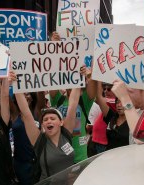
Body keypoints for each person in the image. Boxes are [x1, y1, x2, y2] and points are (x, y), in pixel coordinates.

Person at [12, 72, 81, 181]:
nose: (49, 121)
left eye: (52, 118)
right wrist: (16, 84)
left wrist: (79, 78)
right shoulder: (39, 141)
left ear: (61, 122)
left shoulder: (66, 134)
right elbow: (26, 113)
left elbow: (73, 105)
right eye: (45, 119)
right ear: (42, 124)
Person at [49, 32, 96, 163]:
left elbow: (92, 85)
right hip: (60, 157)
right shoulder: (58, 99)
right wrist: (54, 47)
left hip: (80, 158)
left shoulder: (84, 100)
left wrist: (89, 75)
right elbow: (50, 74)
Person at [96, 81, 129, 151]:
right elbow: (99, 97)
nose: (119, 105)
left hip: (125, 158)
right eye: (117, 102)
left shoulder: (132, 120)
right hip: (109, 157)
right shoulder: (111, 116)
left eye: (122, 102)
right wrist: (97, 78)